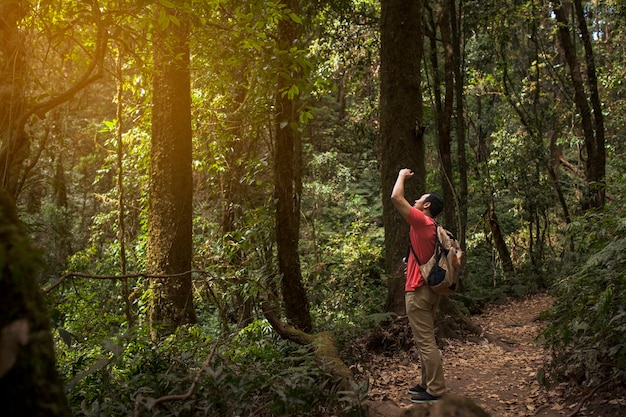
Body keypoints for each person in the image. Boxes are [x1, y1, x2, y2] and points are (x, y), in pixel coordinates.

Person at [390, 168, 445, 403]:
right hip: (429, 291)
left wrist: (401, 175)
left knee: (426, 342)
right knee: (424, 340)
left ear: (426, 206)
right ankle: (425, 383)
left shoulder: (422, 222)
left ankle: (436, 390)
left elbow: (395, 198)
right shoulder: (432, 226)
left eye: (420, 199)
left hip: (418, 292)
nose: (416, 200)